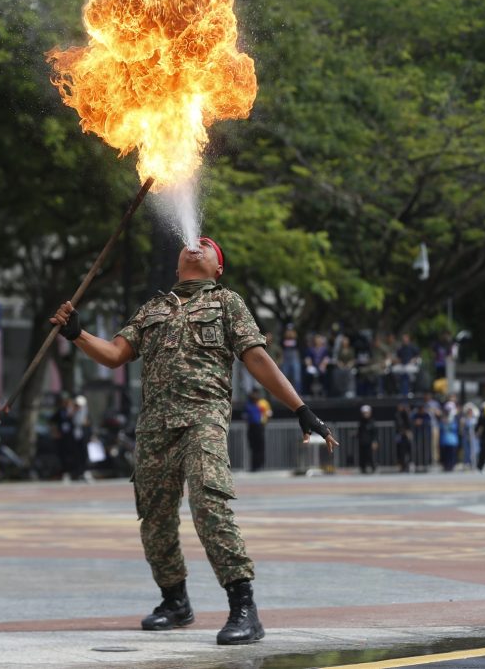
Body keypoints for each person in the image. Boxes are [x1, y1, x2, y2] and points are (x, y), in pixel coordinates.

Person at [50, 236, 338, 646]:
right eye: (191, 243)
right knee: (155, 517)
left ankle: (243, 607)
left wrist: (300, 408)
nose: (195, 245)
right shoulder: (153, 308)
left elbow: (256, 357)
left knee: (209, 501)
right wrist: (76, 333)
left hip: (203, 420)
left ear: (218, 268)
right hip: (154, 427)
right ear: (178, 263)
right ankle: (174, 601)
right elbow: (115, 354)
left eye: (206, 245)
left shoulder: (227, 302)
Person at [245, 390, 266, 472]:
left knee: (257, 448)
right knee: (256, 448)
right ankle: (256, 465)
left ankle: (258, 465)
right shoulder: (254, 406)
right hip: (255, 427)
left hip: (255, 427)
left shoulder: (253, 406)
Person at [356, 404, 377, 474]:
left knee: (370, 456)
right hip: (362, 441)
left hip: (369, 442)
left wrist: (374, 442)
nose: (365, 414)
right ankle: (363, 468)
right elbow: (360, 432)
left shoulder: (372, 422)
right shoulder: (361, 422)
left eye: (366, 412)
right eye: (364, 413)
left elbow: (374, 433)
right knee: (362, 456)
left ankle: (373, 468)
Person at [438, 404, 459, 472]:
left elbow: (455, 427)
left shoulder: (454, 418)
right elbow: (440, 427)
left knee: (452, 455)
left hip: (452, 441)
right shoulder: (442, 419)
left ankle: (451, 466)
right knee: (445, 455)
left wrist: (448, 423)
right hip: (444, 441)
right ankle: (446, 466)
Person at [394, 402, 412, 473]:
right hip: (400, 436)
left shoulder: (407, 415)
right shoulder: (398, 415)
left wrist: (408, 432)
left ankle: (407, 465)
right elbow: (399, 425)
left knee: (407, 451)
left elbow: (409, 424)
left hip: (406, 436)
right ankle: (402, 466)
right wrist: (405, 431)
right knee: (400, 451)